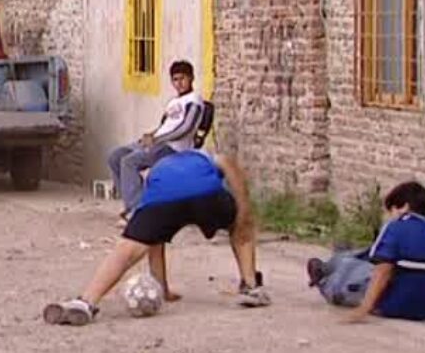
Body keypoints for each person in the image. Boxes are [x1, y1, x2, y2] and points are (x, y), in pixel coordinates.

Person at [45, 149, 270, 326]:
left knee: (126, 252)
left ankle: (86, 302)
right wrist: (244, 210)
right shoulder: (202, 156)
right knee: (242, 229)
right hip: (206, 192)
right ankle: (251, 286)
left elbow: (155, 240)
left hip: (163, 199)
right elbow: (227, 163)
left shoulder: (155, 173)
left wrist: (162, 287)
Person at [307, 181, 425, 324]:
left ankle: (325, 280)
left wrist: (363, 310)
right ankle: (333, 262)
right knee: (355, 257)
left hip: (392, 306)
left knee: (352, 269)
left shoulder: (394, 228)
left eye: (392, 210)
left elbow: (383, 270)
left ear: (404, 207)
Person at [107, 60, 205, 220]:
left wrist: (157, 139)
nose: (179, 83)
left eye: (182, 79)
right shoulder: (173, 103)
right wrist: (149, 136)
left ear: (191, 78)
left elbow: (185, 129)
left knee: (129, 162)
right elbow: (163, 126)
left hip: (172, 147)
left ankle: (139, 209)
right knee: (115, 156)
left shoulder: (194, 100)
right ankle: (132, 202)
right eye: (175, 79)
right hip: (158, 142)